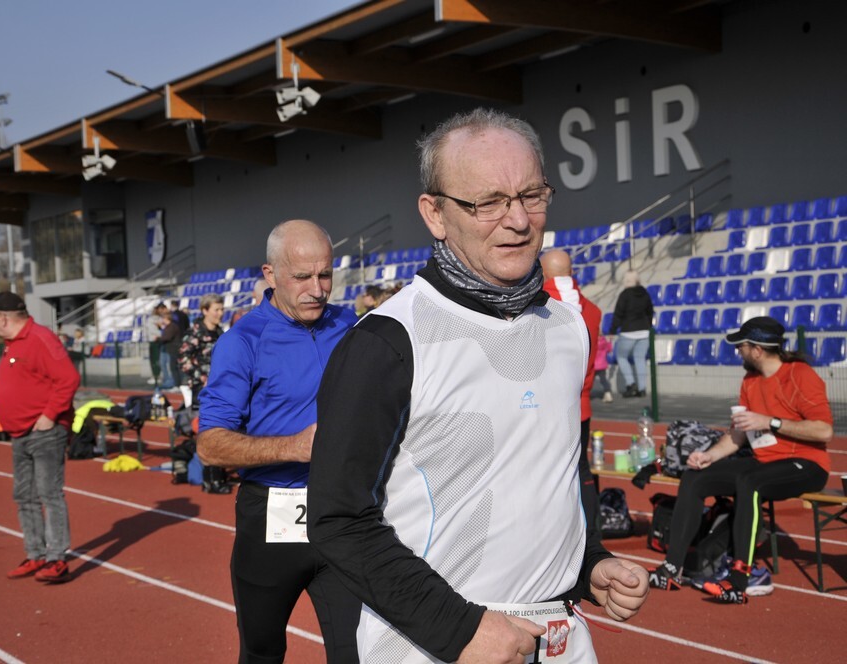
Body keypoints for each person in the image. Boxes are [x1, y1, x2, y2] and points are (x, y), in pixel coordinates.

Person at [308, 108, 649, 664]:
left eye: (531, 195)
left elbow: (551, 479)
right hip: (433, 646)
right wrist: (460, 630)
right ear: (436, 213)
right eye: (488, 202)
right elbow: (338, 520)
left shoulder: (566, 327)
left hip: (563, 639)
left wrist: (590, 564)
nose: (517, 220)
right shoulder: (387, 342)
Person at [197, 219, 361, 663]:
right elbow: (210, 445)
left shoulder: (351, 324)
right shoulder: (242, 341)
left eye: (325, 274)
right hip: (272, 516)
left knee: (361, 651)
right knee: (262, 651)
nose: (318, 288)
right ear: (271, 276)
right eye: (302, 277)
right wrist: (293, 447)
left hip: (346, 513)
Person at [649, 316, 832, 604]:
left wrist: (771, 422)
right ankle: (673, 567)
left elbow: (824, 430)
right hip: (766, 461)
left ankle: (739, 579)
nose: (738, 352)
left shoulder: (800, 375)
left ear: (757, 350)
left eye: (741, 347)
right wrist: (709, 455)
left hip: (807, 465)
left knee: (751, 482)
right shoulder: (750, 380)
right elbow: (738, 434)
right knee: (696, 476)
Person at [0, 292, 80, 584]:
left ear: (2, 318)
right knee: (24, 495)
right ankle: (35, 553)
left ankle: (56, 558)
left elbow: (68, 379)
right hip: (20, 431)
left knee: (49, 493)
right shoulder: (13, 343)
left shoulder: (39, 338)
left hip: (44, 431)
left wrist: (50, 415)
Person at [541, 247, 602, 530]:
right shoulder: (591, 309)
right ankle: (592, 534)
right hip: (582, 403)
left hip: (547, 406)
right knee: (582, 468)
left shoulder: (540, 305)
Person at [608, 270, 653, 398]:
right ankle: (642, 388)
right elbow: (650, 311)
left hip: (628, 331)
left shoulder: (624, 294)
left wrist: (612, 331)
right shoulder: (645, 293)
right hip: (644, 331)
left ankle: (631, 384)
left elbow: (618, 314)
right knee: (640, 359)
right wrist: (648, 326)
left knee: (621, 357)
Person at [177, 293, 224, 407]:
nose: (220, 313)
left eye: (222, 309)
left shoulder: (220, 333)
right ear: (205, 311)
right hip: (202, 389)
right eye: (216, 310)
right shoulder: (195, 333)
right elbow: (183, 360)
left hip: (221, 386)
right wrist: (202, 378)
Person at [594, 334, 614, 402]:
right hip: (602, 365)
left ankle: (585, 395)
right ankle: (608, 393)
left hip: (593, 366)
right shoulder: (604, 341)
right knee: (603, 380)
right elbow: (610, 349)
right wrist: (609, 341)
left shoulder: (593, 342)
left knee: (589, 381)